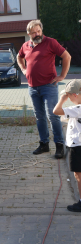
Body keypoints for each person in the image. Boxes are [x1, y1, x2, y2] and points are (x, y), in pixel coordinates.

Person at [17, 19, 71, 159]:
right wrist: (23, 68)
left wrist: (62, 76)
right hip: (32, 88)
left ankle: (59, 146)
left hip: (49, 86)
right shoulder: (25, 45)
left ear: (42, 30)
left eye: (39, 31)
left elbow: (67, 56)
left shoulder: (50, 42)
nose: (37, 34)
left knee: (53, 116)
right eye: (34, 32)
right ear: (29, 33)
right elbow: (19, 57)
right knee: (39, 117)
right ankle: (44, 144)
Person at [53, 79, 81, 212]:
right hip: (76, 145)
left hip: (78, 146)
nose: (68, 99)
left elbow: (56, 111)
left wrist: (62, 100)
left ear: (75, 95)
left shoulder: (78, 108)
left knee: (79, 175)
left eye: (69, 96)